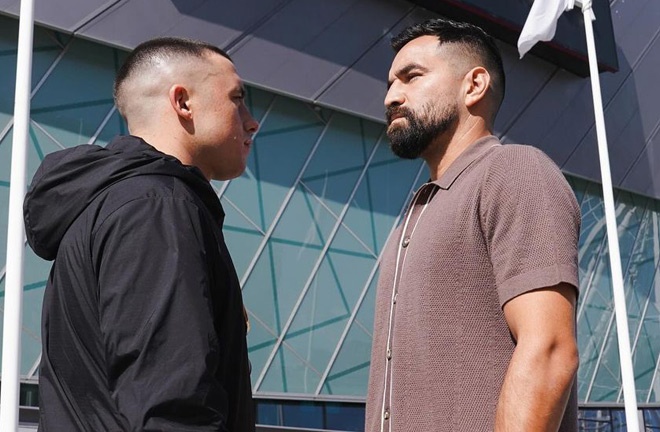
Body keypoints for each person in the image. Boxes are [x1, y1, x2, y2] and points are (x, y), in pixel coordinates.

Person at [24, 37, 259, 431]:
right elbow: (173, 405)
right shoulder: (156, 206)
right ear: (183, 103)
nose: (251, 120)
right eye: (237, 99)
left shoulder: (113, 205)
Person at [365, 18, 580, 431]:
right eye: (390, 83)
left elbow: (549, 348)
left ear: (474, 85)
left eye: (411, 77)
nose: (392, 96)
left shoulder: (514, 171)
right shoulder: (418, 210)